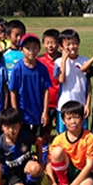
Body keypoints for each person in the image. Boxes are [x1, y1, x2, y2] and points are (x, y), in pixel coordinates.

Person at [46, 101, 93, 185]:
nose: (73, 121)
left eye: (76, 117)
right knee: (56, 152)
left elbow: (89, 165)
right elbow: (49, 161)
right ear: (63, 121)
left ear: (82, 118)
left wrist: (75, 184)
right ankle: (63, 182)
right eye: (69, 118)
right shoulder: (59, 139)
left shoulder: (89, 137)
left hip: (83, 171)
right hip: (67, 170)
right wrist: (52, 182)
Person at [0, 107, 45, 185]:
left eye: (14, 126)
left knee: (36, 168)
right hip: (12, 173)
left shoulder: (25, 135)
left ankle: (30, 184)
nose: (11, 130)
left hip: (26, 166)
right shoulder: (0, 144)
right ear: (2, 127)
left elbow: (39, 142)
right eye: (7, 127)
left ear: (20, 125)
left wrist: (40, 161)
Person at [9, 33, 51, 138]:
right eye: (28, 48)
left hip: (38, 111)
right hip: (23, 112)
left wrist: (45, 112)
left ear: (39, 49)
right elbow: (13, 91)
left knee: (40, 139)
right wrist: (15, 112)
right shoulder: (17, 68)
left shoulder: (42, 68)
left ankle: (41, 155)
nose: (31, 51)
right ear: (21, 50)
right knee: (23, 140)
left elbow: (46, 91)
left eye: (34, 48)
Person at [54, 29, 90, 133]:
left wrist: (87, 104)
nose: (71, 47)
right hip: (63, 104)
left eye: (74, 43)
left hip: (80, 104)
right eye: (68, 44)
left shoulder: (84, 61)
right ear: (61, 47)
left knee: (81, 132)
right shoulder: (58, 62)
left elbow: (88, 85)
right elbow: (61, 80)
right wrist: (64, 60)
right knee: (63, 133)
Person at [38, 29, 61, 160]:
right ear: (43, 44)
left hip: (61, 102)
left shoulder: (64, 58)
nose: (50, 46)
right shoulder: (40, 60)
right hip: (45, 102)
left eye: (53, 42)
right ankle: (44, 156)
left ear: (58, 44)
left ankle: (58, 155)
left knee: (60, 131)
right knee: (45, 131)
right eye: (47, 43)